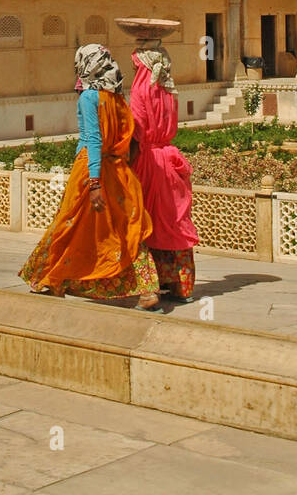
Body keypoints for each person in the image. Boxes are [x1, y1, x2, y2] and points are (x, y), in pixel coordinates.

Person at [19, 43, 162, 310]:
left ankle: (52, 278)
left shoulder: (89, 98)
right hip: (119, 172)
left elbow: (93, 140)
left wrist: (94, 182)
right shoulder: (117, 97)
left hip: (90, 172)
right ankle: (148, 290)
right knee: (127, 230)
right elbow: (130, 138)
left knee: (69, 224)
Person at [128, 46, 200, 304]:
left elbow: (136, 132)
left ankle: (150, 286)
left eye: (135, 65)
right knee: (174, 220)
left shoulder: (140, 90)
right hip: (170, 160)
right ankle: (181, 285)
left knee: (146, 222)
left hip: (149, 161)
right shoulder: (170, 89)